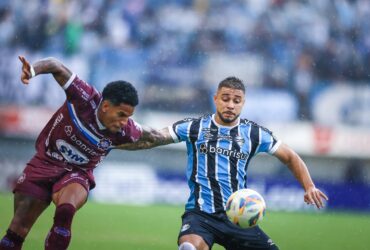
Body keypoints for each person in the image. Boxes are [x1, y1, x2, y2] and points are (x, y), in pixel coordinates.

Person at [120, 76, 329, 250]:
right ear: (216, 99)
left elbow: (290, 156)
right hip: (201, 215)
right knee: (189, 248)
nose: (230, 105)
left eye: (236, 100)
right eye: (225, 98)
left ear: (243, 103)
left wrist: (309, 186)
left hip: (238, 217)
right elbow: (154, 137)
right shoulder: (195, 127)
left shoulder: (254, 133)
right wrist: (113, 143)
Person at [0, 56, 144, 250]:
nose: (124, 122)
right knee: (16, 233)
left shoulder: (125, 131)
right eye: (121, 115)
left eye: (129, 117)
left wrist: (181, 133)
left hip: (78, 172)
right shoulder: (84, 97)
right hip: (45, 162)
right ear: (106, 106)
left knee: (65, 210)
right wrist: (32, 71)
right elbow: (54, 65)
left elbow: (154, 136)